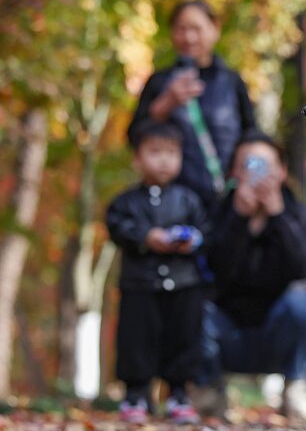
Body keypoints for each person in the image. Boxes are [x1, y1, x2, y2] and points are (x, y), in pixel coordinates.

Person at [196, 131, 306, 422]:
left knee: (304, 305)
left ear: (282, 171)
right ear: (234, 172)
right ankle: (210, 392)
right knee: (191, 305)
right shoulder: (218, 211)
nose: (257, 173)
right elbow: (213, 271)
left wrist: (278, 216)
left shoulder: (297, 212)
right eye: (248, 164)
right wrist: (239, 219)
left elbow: (305, 268)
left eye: (265, 165)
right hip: (227, 333)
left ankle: (295, 388)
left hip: (277, 332)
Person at [105, 120, 208, 424]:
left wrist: (191, 240)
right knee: (137, 340)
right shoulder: (126, 201)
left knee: (183, 338)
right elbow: (117, 227)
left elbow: (205, 230)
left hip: (184, 283)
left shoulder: (188, 199)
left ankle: (179, 395)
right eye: (155, 152)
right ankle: (135, 395)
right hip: (140, 284)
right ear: (138, 159)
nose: (164, 160)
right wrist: (146, 237)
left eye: (171, 153)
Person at [128, 0, 257, 209]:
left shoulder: (232, 82)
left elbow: (252, 137)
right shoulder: (159, 82)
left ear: (215, 29)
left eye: (196, 29)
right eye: (181, 29)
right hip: (172, 201)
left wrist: (248, 181)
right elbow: (134, 137)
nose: (189, 37)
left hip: (226, 199)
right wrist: (166, 104)